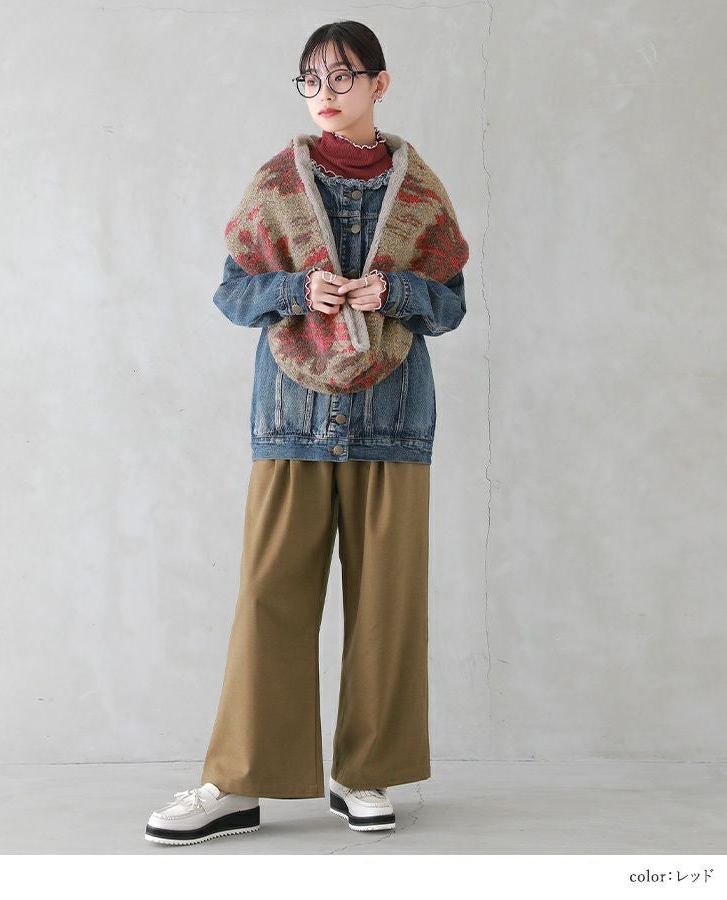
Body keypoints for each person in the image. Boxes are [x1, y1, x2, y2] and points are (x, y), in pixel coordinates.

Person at [145, 20, 469, 846]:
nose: (325, 94)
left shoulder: (422, 190)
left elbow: (450, 305)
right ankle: (238, 782)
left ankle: (365, 772)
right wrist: (296, 290)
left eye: (342, 77)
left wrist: (395, 293)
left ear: (380, 84)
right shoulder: (275, 184)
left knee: (387, 605)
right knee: (269, 597)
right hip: (292, 417)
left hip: (393, 418)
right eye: (311, 80)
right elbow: (233, 293)